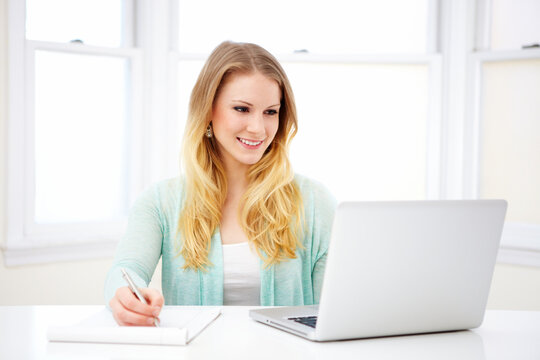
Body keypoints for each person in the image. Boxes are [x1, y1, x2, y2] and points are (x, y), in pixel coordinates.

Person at [104, 41, 336, 326]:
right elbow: (126, 269)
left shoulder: (315, 202)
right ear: (208, 111)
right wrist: (124, 296)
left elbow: (337, 303)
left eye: (270, 112)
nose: (258, 128)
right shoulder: (160, 202)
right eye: (242, 109)